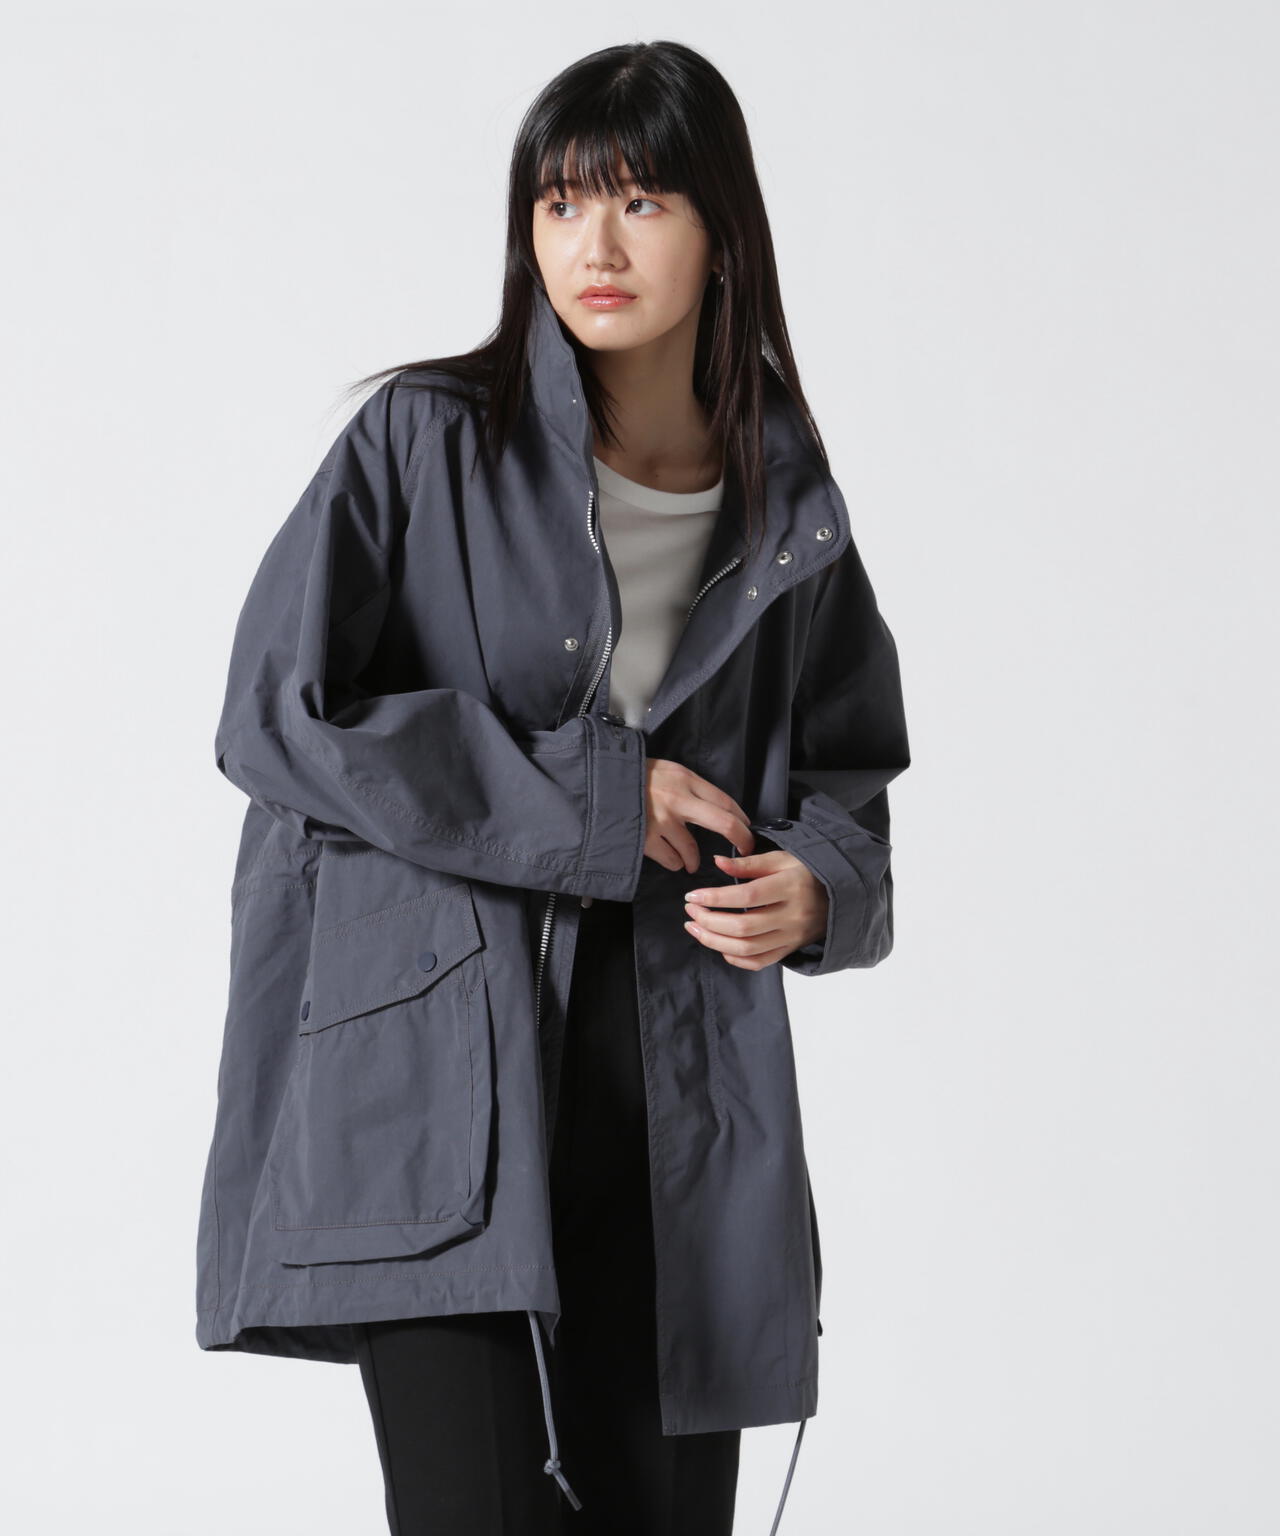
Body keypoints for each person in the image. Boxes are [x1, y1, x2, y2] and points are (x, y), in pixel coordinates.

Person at [196, 38, 910, 1536]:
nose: (595, 245)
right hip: (440, 1088)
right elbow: (280, 716)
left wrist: (822, 884)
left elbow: (847, 762)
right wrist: (594, 800)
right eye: (561, 202)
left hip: (681, 1099)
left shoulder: (786, 492)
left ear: (722, 231)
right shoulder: (425, 441)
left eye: (643, 202)